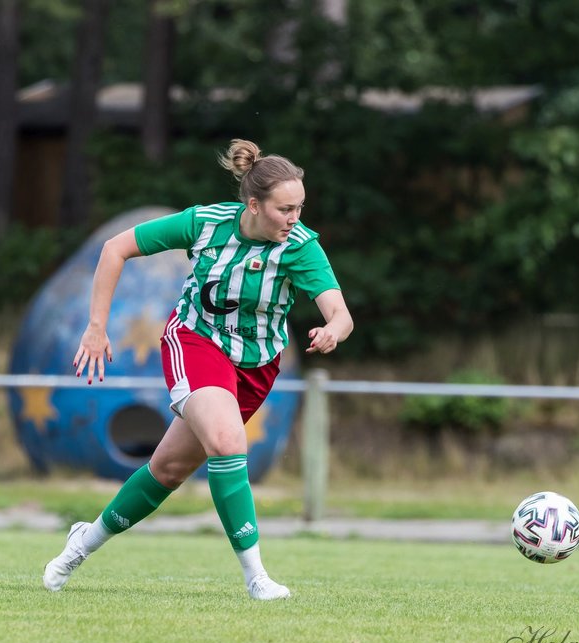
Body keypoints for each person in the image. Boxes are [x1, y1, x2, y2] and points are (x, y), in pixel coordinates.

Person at [44, 138, 353, 600]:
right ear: (253, 204)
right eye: (285, 209)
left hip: (256, 368)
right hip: (196, 341)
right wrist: (95, 326)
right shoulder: (205, 224)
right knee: (229, 442)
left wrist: (333, 329)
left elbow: (341, 313)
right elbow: (115, 249)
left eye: (300, 209)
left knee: (167, 470)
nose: (295, 219)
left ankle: (81, 543)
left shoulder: (300, 248)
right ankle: (257, 577)